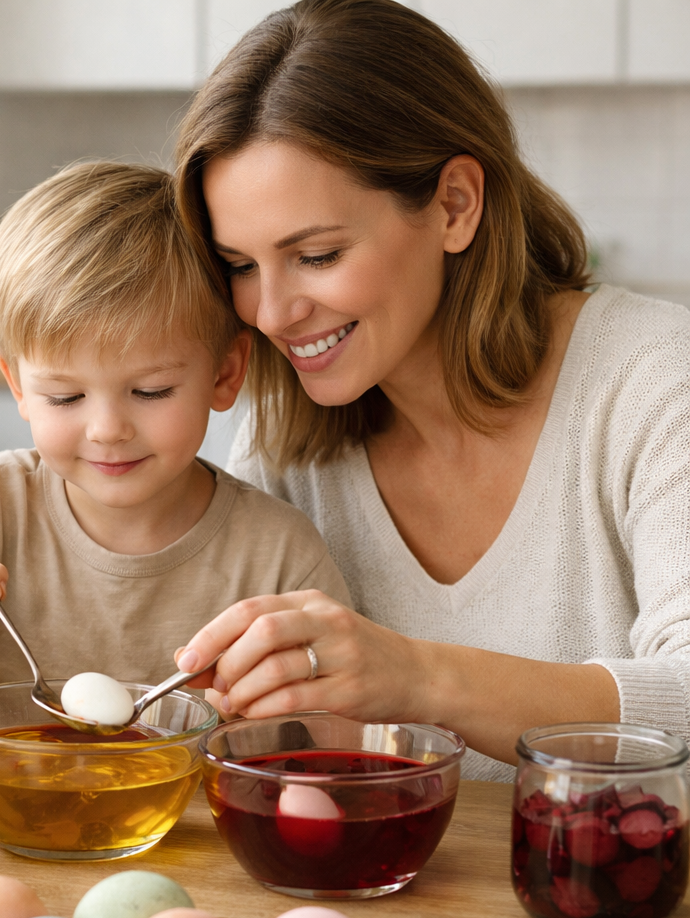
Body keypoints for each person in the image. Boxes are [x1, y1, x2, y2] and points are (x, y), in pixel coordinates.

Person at [170, 0, 690, 780]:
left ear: (455, 205)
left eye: (315, 255)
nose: (271, 313)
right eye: (240, 266)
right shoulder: (288, 445)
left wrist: (419, 678)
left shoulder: (651, 377)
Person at [0, 162, 351, 702]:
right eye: (66, 397)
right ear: (17, 385)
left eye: (151, 391)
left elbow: (328, 731)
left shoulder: (277, 556)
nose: (107, 430)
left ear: (224, 374)